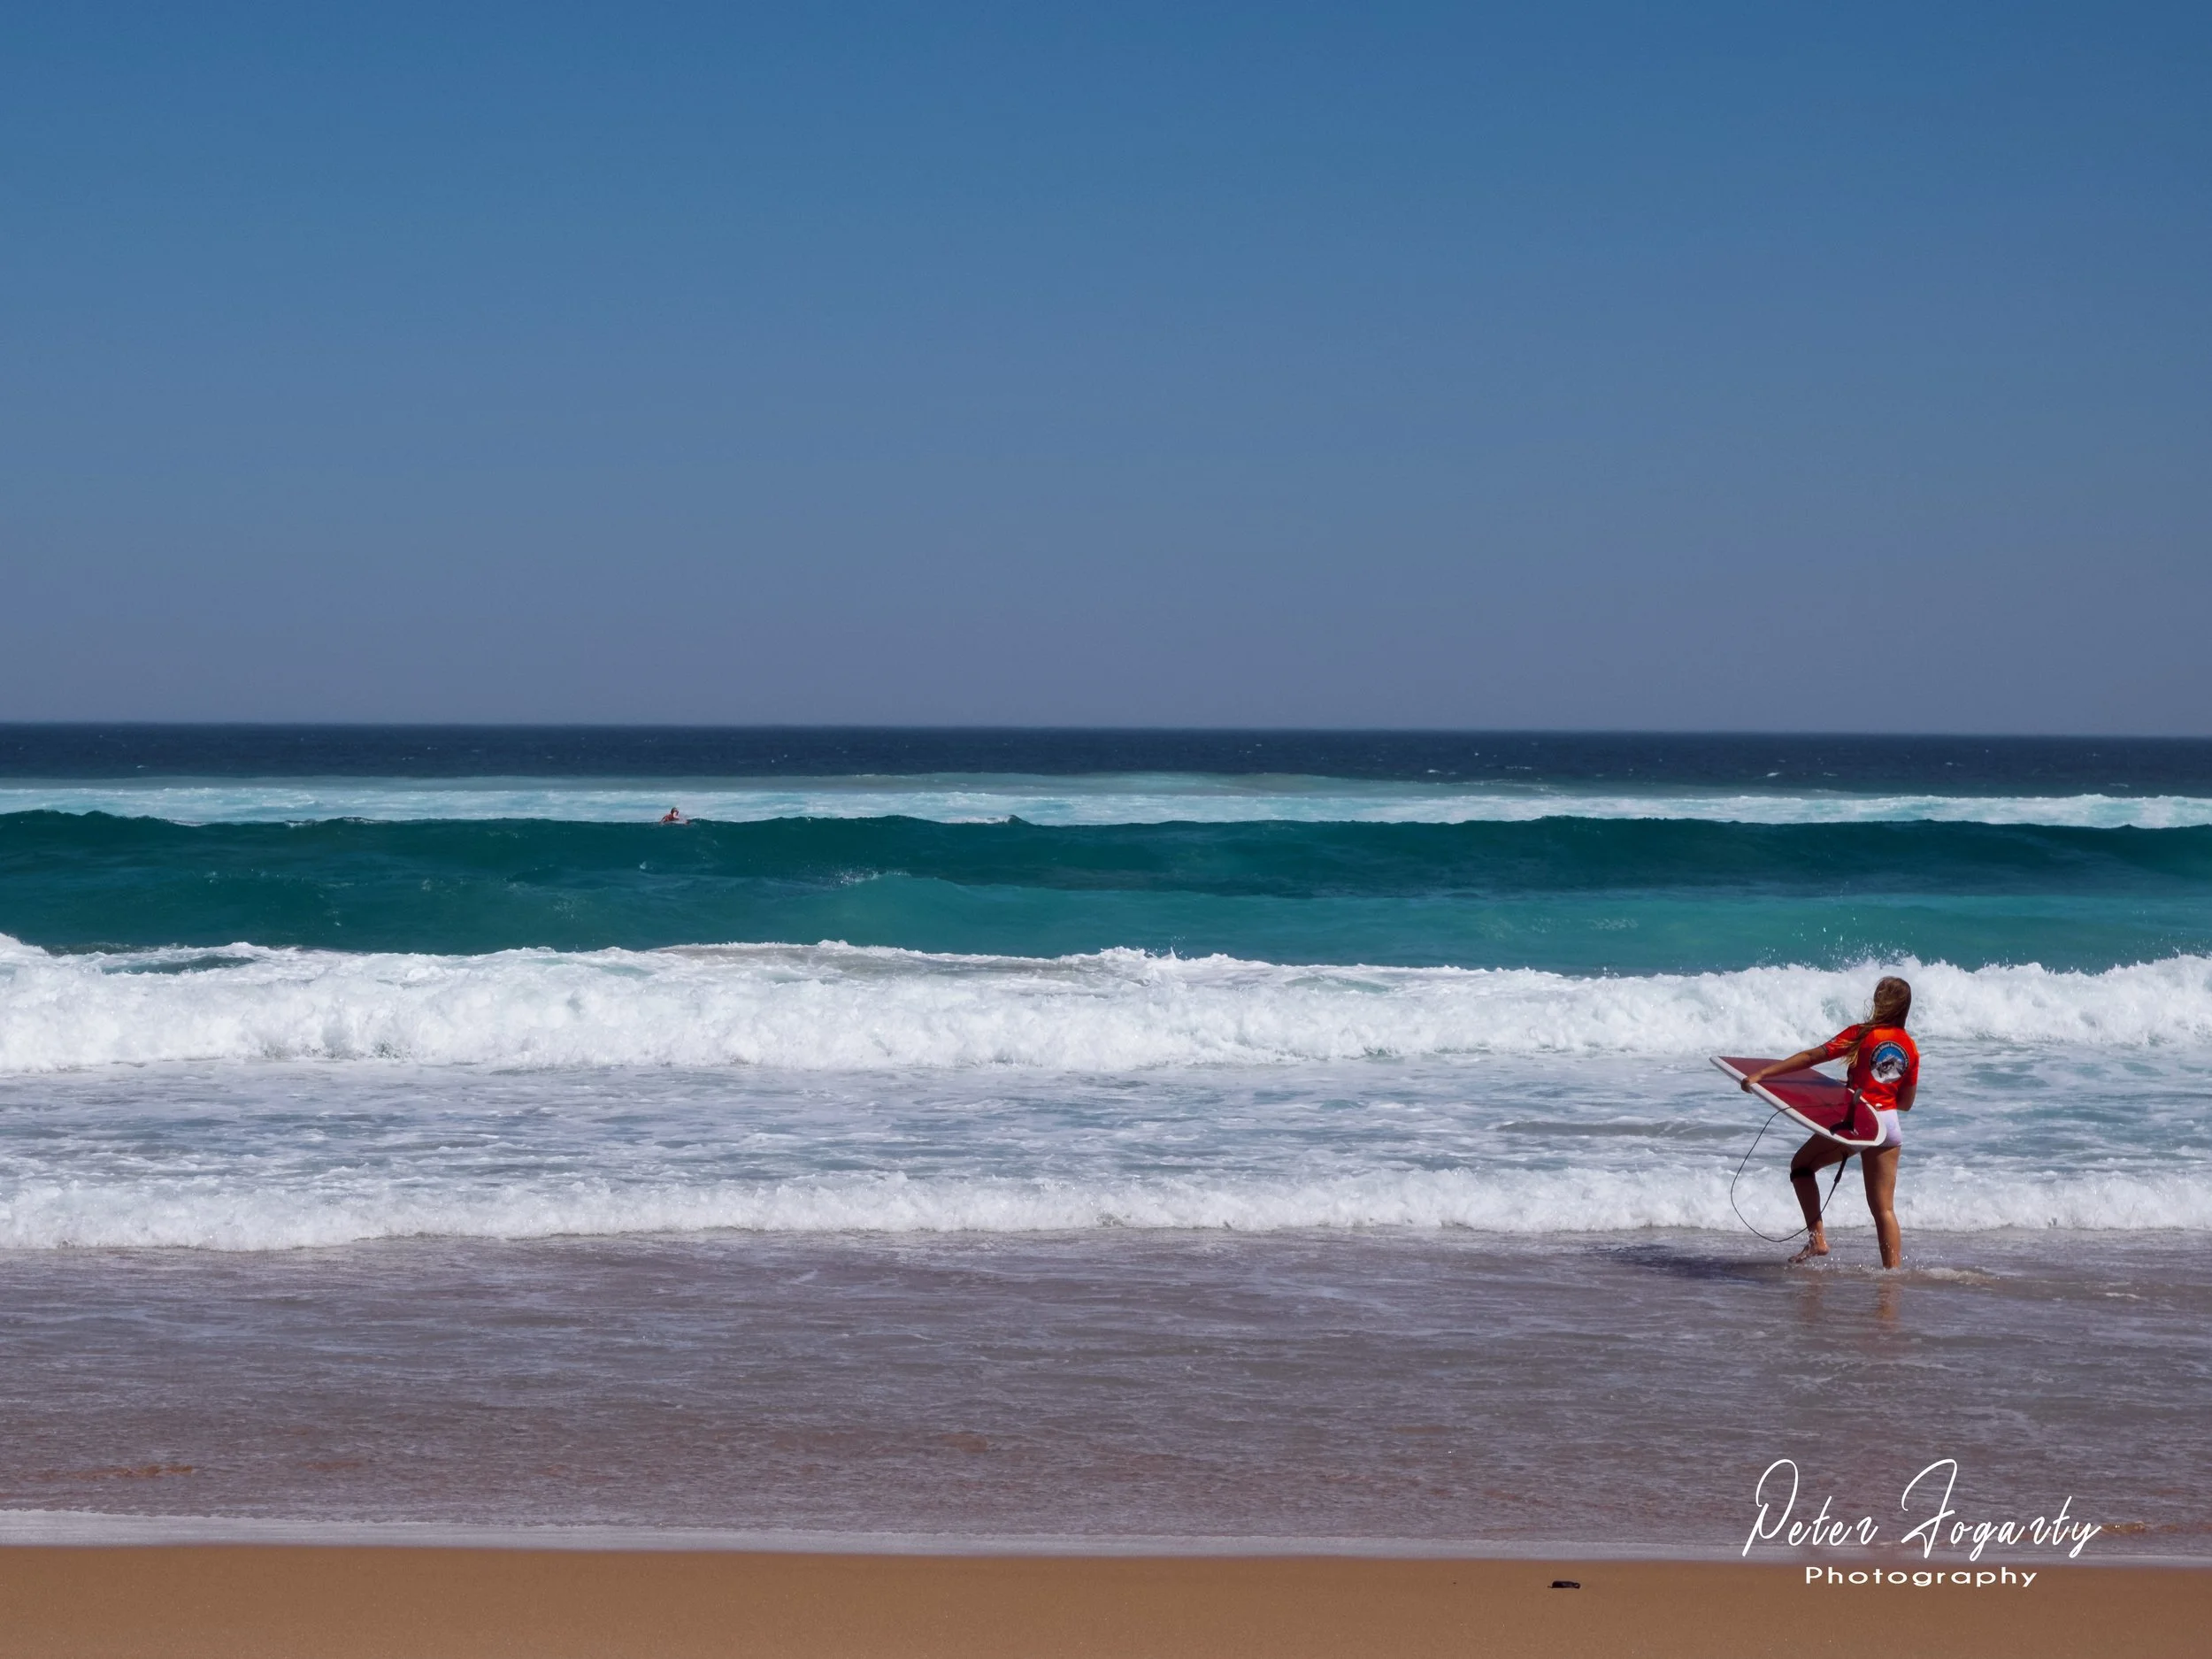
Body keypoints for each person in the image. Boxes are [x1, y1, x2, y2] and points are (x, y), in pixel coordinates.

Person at [1739, 976, 1918, 1268]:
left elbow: (1812, 1057)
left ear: (1879, 1001)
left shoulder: (1862, 1034)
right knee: (1884, 1209)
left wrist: (1763, 1074)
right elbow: (1906, 1103)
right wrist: (1873, 1090)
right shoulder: (1910, 1047)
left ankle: (1817, 1239)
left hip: (1859, 1122)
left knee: (1802, 1166)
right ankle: (1892, 1278)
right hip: (1889, 1125)